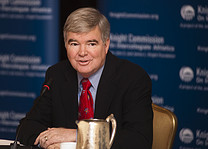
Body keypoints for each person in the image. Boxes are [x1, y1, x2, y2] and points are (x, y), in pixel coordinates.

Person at [17, 7, 153, 149]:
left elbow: (139, 140)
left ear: (106, 45)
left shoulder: (133, 78)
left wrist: (76, 135)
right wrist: (48, 141)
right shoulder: (56, 75)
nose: (82, 52)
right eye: (74, 44)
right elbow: (26, 127)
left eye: (91, 44)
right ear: (66, 45)